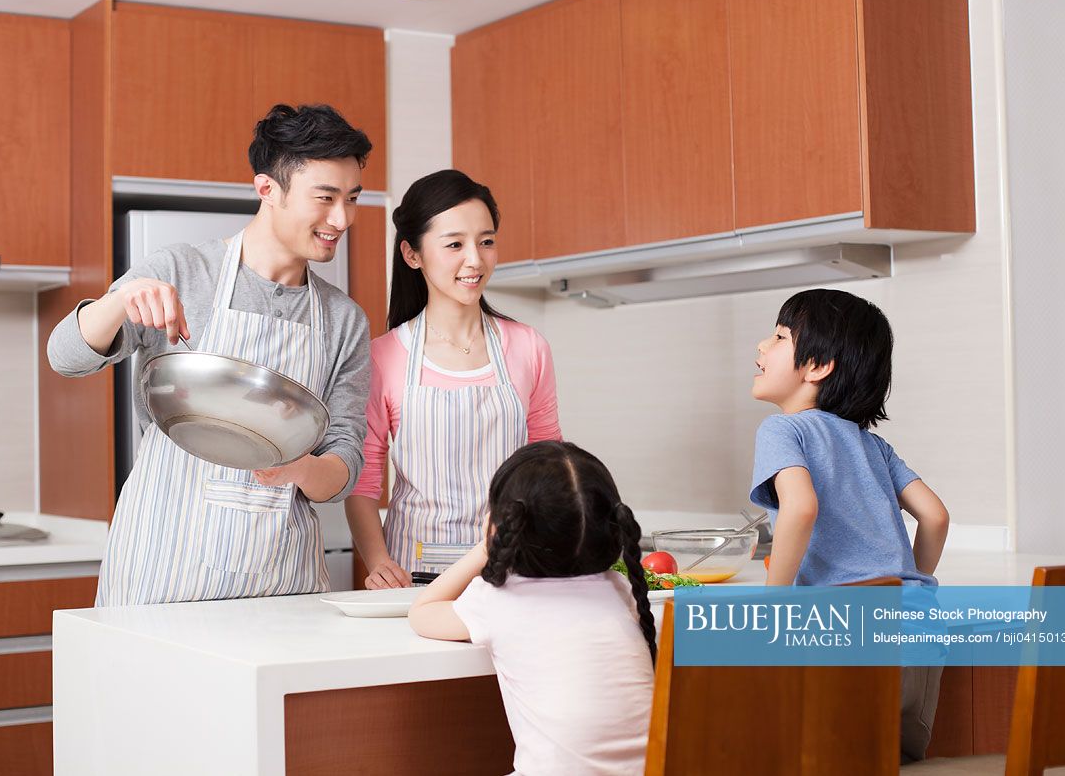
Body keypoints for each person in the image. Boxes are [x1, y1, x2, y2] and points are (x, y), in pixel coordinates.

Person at [47, 103, 373, 606]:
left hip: (280, 578)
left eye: (352, 199)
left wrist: (297, 468)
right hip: (161, 565)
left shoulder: (343, 319)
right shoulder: (181, 271)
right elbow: (64, 357)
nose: (341, 218)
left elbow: (344, 461)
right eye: (325, 198)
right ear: (267, 189)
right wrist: (117, 303)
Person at [749, 287, 951, 762]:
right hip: (920, 633)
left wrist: (772, 605)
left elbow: (799, 509)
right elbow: (935, 515)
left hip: (850, 635)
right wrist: (908, 584)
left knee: (812, 754)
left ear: (817, 367)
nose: (762, 347)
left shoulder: (783, 430)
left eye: (778, 337)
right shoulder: (872, 445)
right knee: (894, 760)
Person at [346, 169, 561, 589]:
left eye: (486, 241)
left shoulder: (528, 347)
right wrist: (378, 563)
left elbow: (547, 464)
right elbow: (364, 480)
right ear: (413, 254)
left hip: (514, 568)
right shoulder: (383, 356)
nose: (475, 260)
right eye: (454, 245)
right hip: (415, 574)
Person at [408, 441, 655, 776]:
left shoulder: (498, 598)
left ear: (502, 525)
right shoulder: (620, 590)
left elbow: (423, 611)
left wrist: (485, 549)